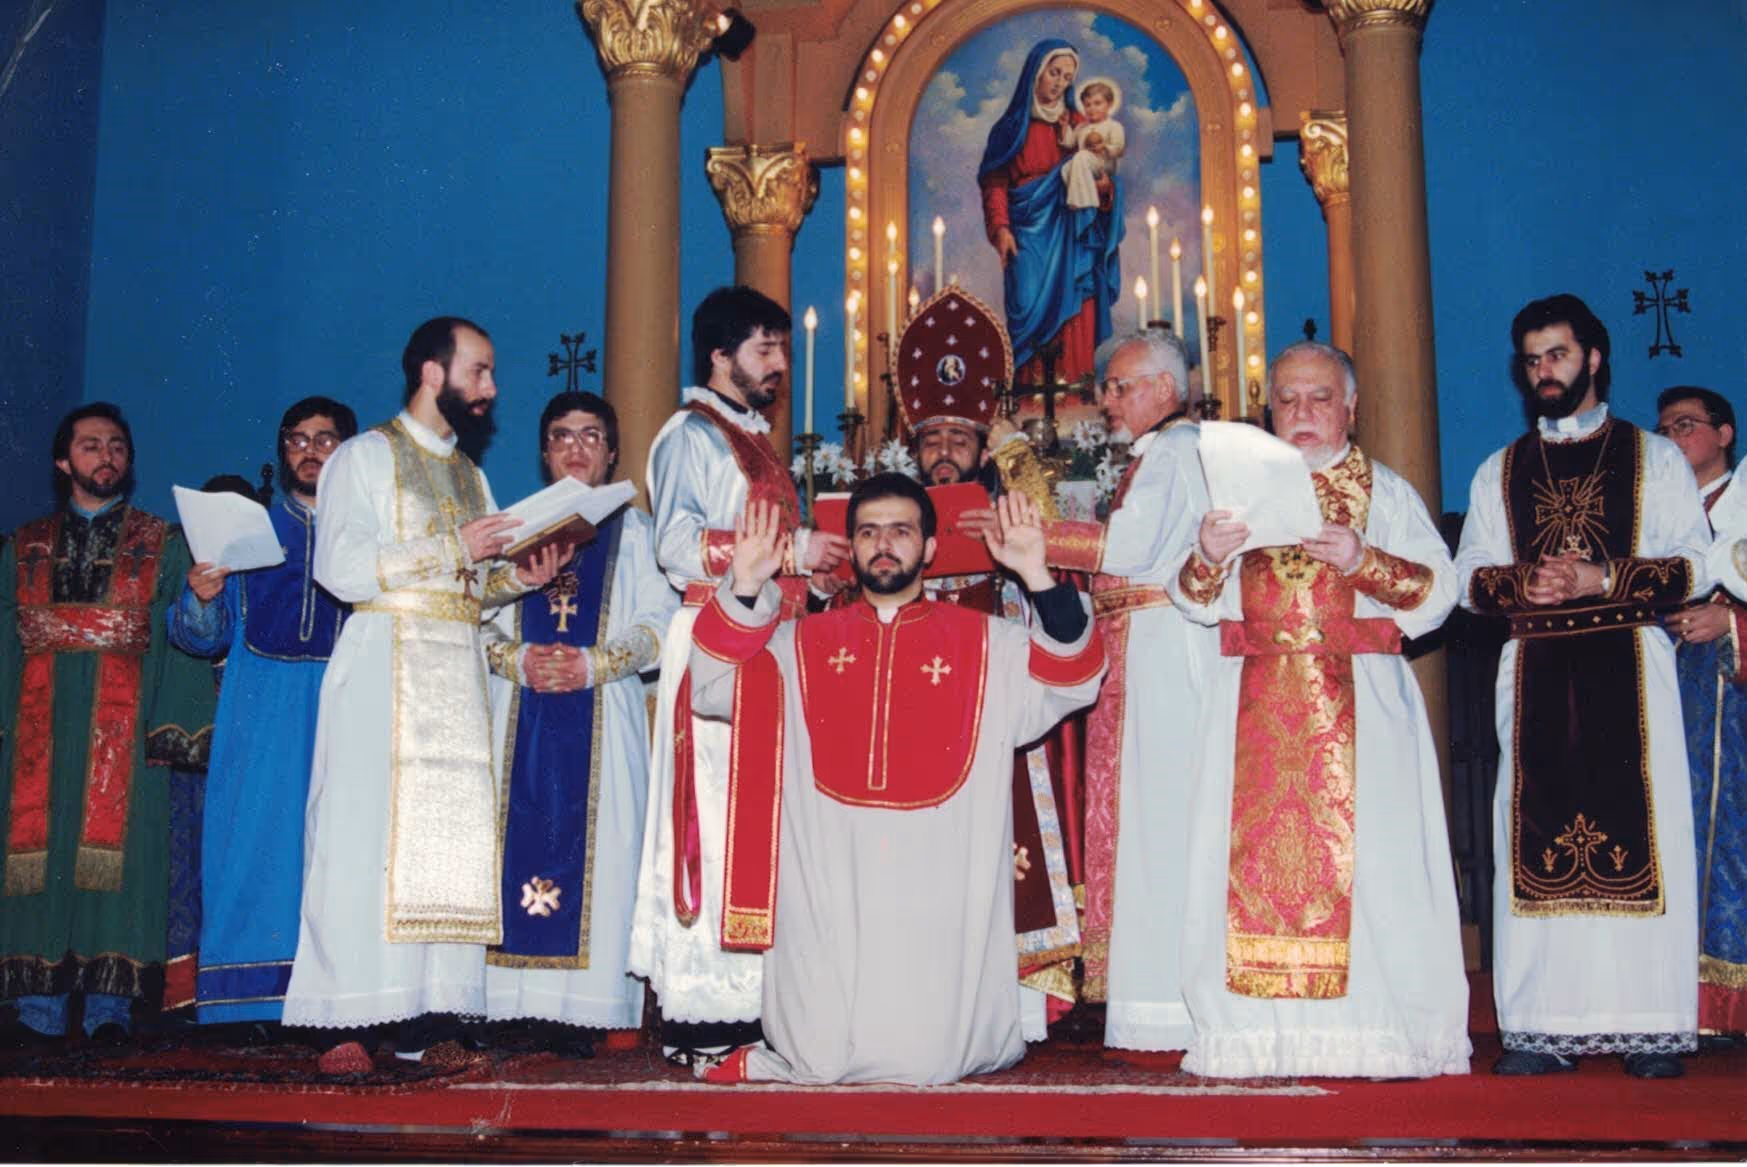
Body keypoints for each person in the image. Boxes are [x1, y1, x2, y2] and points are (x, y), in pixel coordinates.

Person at [688, 478, 1105, 1085]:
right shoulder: (796, 643)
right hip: (829, 862)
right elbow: (710, 680)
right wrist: (746, 583)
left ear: (930, 549)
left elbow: (1073, 674)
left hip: (941, 868)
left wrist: (1037, 575)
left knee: (930, 1058)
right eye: (868, 531)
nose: (883, 544)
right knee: (821, 1054)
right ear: (851, 549)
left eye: (901, 530)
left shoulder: (989, 642)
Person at [1172, 342, 1471, 1077]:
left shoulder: (1385, 491)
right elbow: (1188, 601)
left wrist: (1361, 559)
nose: (1301, 414)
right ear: (1266, 406)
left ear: (1351, 406)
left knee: (1375, 868)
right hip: (1252, 704)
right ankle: (1252, 1034)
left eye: (1319, 398)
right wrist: (1207, 554)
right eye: (1286, 399)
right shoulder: (1232, 493)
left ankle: (1376, 1032)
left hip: (1360, 701)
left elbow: (1440, 596)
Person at [282, 317, 565, 1069]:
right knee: (362, 837)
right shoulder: (364, 456)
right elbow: (340, 567)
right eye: (481, 370)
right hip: (384, 665)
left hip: (454, 672)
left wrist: (515, 579)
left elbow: (468, 585)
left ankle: (429, 1014)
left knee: (448, 844)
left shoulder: (471, 475)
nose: (492, 388)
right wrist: (454, 549)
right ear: (434, 374)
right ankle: (344, 1020)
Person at [1455, 293, 1708, 1078]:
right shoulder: (1501, 469)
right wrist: (1521, 584)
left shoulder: (1652, 457)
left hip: (1629, 662)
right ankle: (1540, 1027)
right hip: (1532, 668)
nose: (1544, 372)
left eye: (1557, 355)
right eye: (1532, 360)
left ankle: (1648, 1027)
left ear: (1593, 358)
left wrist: (1604, 575)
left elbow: (1696, 564)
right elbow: (1467, 578)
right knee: (1531, 841)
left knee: (1645, 839)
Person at [628, 286, 849, 1055]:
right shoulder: (692, 435)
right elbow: (676, 543)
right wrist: (790, 552)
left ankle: (760, 1005)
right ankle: (703, 1016)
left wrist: (810, 577)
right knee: (714, 825)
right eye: (764, 349)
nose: (780, 365)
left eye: (782, 349)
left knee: (763, 822)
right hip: (717, 638)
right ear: (719, 357)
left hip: (768, 641)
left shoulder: (747, 436)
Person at [0, 403, 216, 1044]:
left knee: (120, 864)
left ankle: (107, 1010)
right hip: (39, 727)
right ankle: (37, 1006)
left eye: (118, 446)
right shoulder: (22, 546)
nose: (107, 457)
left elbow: (194, 636)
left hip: (124, 734)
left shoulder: (165, 543)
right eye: (91, 446)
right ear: (64, 461)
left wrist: (203, 604)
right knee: (36, 858)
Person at [900, 312, 1083, 1037]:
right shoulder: (888, 512)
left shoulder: (1005, 508)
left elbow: (1053, 580)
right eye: (931, 440)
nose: (944, 452)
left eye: (958, 439)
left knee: (1008, 846)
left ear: (980, 449)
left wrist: (1007, 551)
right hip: (912, 709)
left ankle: (1023, 1006)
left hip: (988, 700)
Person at [1037, 328, 1218, 1050]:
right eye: (1106, 386)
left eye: (1120, 385)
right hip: (1141, 645)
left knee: (1159, 819)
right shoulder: (1158, 455)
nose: (1105, 399)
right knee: (1145, 820)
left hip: (1164, 648)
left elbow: (1131, 550)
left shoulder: (1176, 451)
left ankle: (1166, 1004)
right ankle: (1150, 999)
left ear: (1166, 389)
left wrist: (1032, 535)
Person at [481, 391, 678, 1052]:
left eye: (590, 435)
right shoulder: (504, 530)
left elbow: (660, 624)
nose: (575, 448)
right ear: (543, 450)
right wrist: (518, 658)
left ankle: (598, 1010)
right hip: (517, 711)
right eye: (561, 435)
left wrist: (597, 663)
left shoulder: (639, 531)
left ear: (611, 451)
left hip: (604, 710)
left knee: (608, 844)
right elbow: (467, 625)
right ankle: (505, 1005)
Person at [166, 396, 357, 1028]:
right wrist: (199, 598)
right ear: (283, 450)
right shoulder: (246, 532)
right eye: (298, 439)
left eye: (325, 440)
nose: (310, 451)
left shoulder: (365, 536)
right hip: (262, 713)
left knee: (339, 849)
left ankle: (334, 1000)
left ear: (347, 452)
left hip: (344, 708)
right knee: (255, 845)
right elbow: (202, 637)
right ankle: (248, 1002)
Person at [1655, 386, 1747, 1042]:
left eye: (1685, 425)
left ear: (1724, 432)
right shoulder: (1659, 516)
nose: (1671, 437)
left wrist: (1733, 621)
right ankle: (1679, 1000)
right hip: (1672, 699)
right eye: (1663, 428)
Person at [978, 38, 1123, 384]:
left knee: (1076, 307)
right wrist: (1001, 229)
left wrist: (1105, 192)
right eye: (1053, 73)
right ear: (1036, 73)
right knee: (1028, 308)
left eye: (1067, 77)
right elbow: (995, 182)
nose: (1059, 82)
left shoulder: (1078, 125)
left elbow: (1103, 174)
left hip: (1072, 231)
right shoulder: (1011, 129)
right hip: (1028, 232)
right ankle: (1029, 400)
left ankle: (1075, 397)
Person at [1062, 79, 1125, 212]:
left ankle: (1085, 202)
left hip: (1103, 165)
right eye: (1087, 105)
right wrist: (1064, 126)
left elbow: (1119, 149)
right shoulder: (1082, 127)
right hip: (1084, 164)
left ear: (1109, 104)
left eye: (1097, 103)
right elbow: (1069, 143)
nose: (1091, 108)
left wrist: (1105, 147)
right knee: (1066, 168)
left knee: (1081, 156)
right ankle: (1082, 196)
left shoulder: (1113, 126)